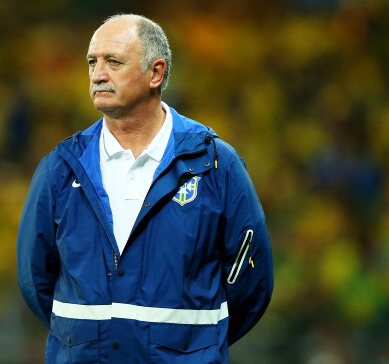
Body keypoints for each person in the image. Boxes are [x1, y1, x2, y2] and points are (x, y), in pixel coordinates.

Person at [17, 13, 273, 364]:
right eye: (92, 62)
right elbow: (35, 279)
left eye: (113, 62)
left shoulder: (215, 164)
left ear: (156, 73)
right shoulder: (61, 168)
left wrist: (195, 346)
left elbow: (250, 282)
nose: (98, 74)